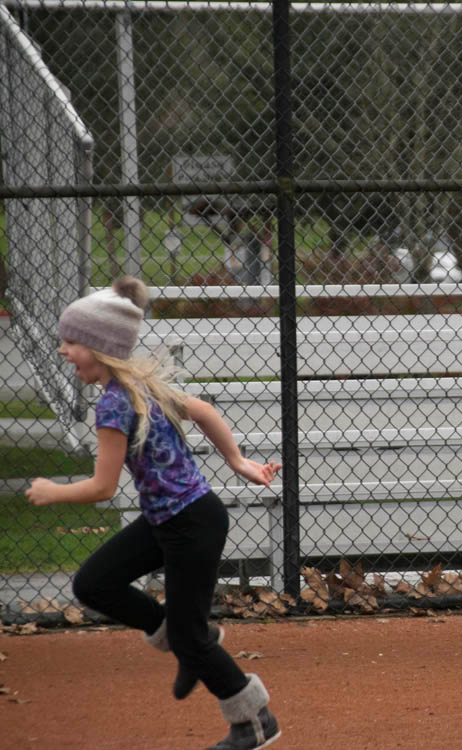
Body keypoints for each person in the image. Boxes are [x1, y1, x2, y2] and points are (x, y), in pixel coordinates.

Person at [25, 277, 282, 750]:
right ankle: (188, 636)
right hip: (171, 519)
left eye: (71, 341)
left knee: (189, 639)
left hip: (191, 524)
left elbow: (103, 487)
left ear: (100, 347)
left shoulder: (114, 405)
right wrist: (237, 460)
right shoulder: (138, 387)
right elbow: (203, 410)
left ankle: (253, 720)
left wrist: (52, 491)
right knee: (94, 583)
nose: (63, 350)